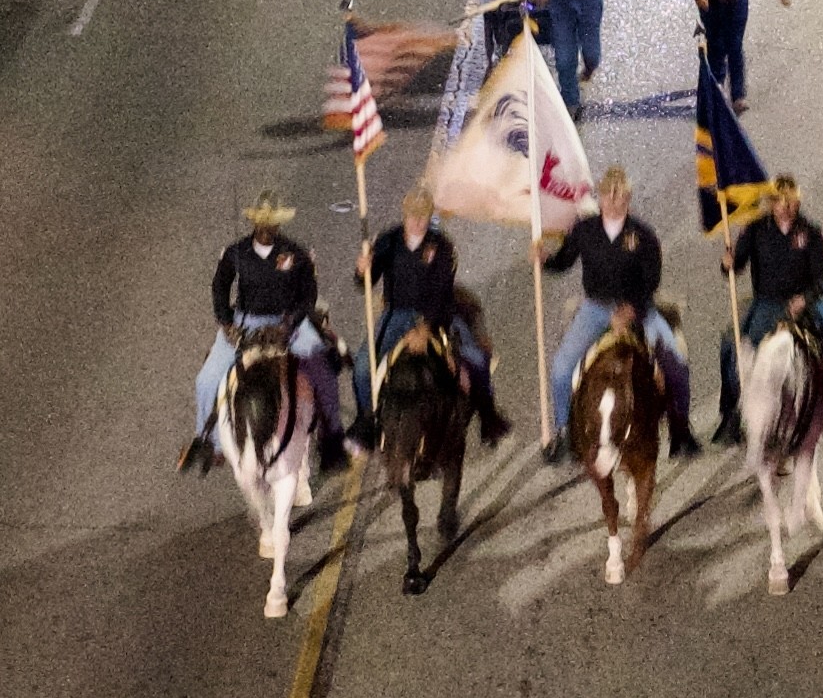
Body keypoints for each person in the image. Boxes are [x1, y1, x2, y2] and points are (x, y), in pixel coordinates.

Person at [183, 195, 346, 471]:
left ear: (279, 224)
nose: (266, 228)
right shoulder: (236, 253)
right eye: (262, 223)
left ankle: (331, 438)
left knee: (323, 373)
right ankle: (210, 443)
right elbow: (220, 286)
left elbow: (308, 294)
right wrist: (226, 323)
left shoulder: (296, 254)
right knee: (206, 381)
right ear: (254, 223)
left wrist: (291, 322)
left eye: (272, 223)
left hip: (286, 324)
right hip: (246, 323)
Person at [541, 167, 694, 457]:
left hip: (638, 309)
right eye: (608, 195)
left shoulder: (643, 235)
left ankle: (681, 430)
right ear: (599, 198)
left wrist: (631, 310)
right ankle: (564, 431)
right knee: (562, 368)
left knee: (676, 362)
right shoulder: (584, 230)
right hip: (595, 309)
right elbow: (564, 261)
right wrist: (546, 259)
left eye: (619, 195)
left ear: (628, 198)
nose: (613, 201)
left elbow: (652, 279)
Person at [359, 188, 507, 442]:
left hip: (435, 315)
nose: (417, 220)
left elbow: (442, 292)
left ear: (430, 216)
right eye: (413, 215)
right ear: (404, 215)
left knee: (476, 359)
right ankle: (366, 423)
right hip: (396, 314)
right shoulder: (387, 241)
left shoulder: (442, 247)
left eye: (423, 215)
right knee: (363, 369)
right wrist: (363, 270)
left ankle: (488, 417)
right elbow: (368, 281)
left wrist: (426, 327)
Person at [727, 172, 823, 395]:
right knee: (733, 352)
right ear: (771, 204)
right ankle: (730, 413)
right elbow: (737, 264)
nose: (784, 207)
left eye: (790, 201)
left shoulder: (812, 232)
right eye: (778, 201)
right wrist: (729, 262)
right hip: (768, 304)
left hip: (807, 304)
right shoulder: (755, 229)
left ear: (798, 202)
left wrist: (805, 299)